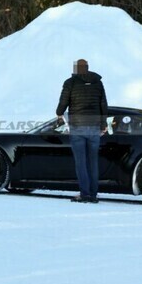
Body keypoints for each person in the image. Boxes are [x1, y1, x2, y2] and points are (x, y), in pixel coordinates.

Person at [56, 59, 108, 203]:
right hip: (94, 127)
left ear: (76, 69)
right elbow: (103, 104)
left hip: (78, 127)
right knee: (93, 162)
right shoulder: (98, 82)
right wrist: (103, 124)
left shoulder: (70, 83)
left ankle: (84, 194)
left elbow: (62, 105)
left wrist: (59, 112)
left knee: (81, 163)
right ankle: (93, 194)